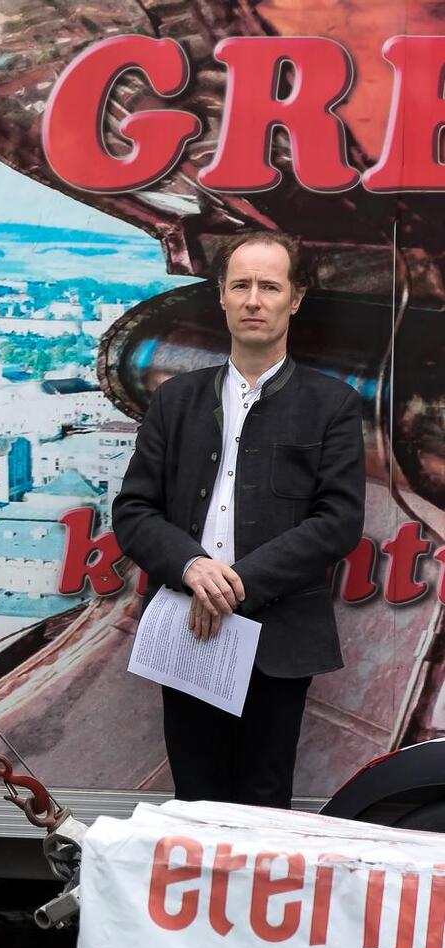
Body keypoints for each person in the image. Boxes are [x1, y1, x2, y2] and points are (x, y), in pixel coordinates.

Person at [113, 231, 364, 809]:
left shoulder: (331, 404)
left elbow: (338, 521)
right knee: (195, 802)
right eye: (241, 285)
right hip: (188, 629)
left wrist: (233, 584)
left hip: (279, 639)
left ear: (295, 299)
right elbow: (133, 510)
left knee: (264, 805)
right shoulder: (174, 400)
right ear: (221, 296)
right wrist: (192, 567)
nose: (254, 300)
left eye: (269, 287)